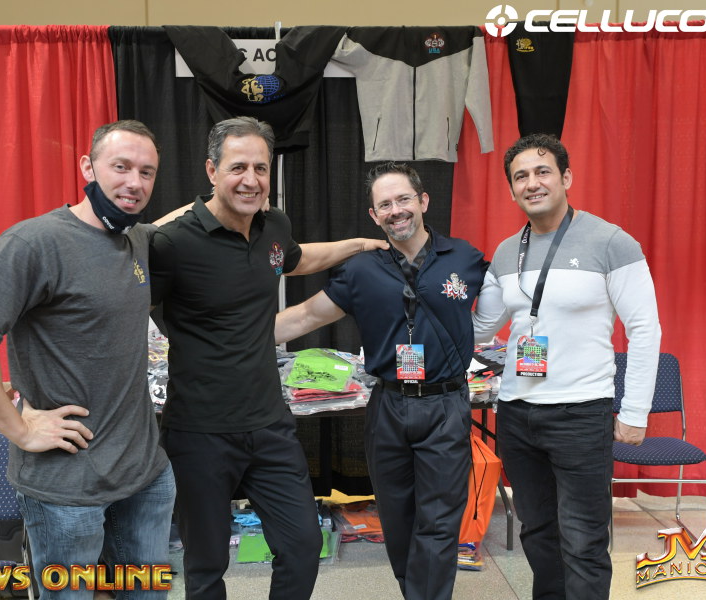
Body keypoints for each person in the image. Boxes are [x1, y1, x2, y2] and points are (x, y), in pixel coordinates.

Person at [148, 116, 388, 600]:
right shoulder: (171, 243)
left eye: (260, 168)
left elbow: (296, 259)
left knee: (302, 545)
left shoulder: (274, 226)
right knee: (206, 565)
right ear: (211, 170)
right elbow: (118, 289)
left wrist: (359, 244)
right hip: (199, 431)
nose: (251, 179)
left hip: (269, 425)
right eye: (237, 167)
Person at [0, 120, 175, 600]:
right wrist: (20, 428)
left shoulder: (136, 239)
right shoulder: (35, 242)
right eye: (121, 167)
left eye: (146, 172)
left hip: (145, 476)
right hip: (67, 486)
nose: (134, 182)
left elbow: (180, 219)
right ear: (87, 167)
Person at [274, 161, 488, 600]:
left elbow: (509, 303)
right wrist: (226, 337)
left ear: (423, 201)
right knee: (397, 519)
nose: (396, 211)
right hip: (387, 407)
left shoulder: (463, 258)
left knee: (439, 522)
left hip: (445, 405)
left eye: (403, 199)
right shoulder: (361, 270)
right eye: (385, 205)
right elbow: (307, 316)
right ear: (374, 216)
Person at [472, 133, 661, 599]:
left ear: (566, 178)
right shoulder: (506, 252)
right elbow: (480, 329)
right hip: (516, 413)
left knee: (582, 539)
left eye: (543, 172)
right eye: (520, 176)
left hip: (581, 413)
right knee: (537, 533)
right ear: (511, 189)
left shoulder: (611, 241)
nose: (532, 183)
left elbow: (645, 329)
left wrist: (635, 412)